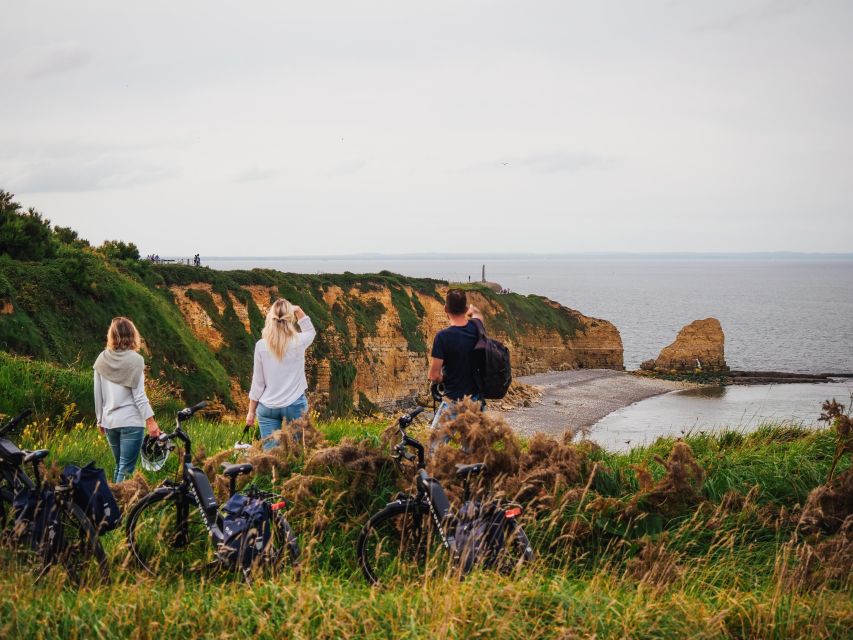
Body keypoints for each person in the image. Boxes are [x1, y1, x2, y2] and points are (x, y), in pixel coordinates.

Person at [93, 317, 161, 482]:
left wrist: (99, 420)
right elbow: (139, 395)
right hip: (130, 421)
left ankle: (113, 504)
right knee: (126, 470)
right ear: (132, 335)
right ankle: (122, 506)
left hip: (109, 422)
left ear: (112, 336)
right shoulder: (136, 360)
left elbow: (98, 393)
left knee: (119, 466)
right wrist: (151, 421)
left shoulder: (101, 358)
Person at [246, 299, 317, 449]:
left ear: (270, 319)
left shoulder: (261, 346)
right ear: (289, 318)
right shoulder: (299, 342)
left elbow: (258, 382)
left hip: (267, 408)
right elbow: (311, 331)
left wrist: (251, 411)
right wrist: (297, 309)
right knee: (297, 452)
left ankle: (272, 472)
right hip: (294, 405)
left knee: (271, 458)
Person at [428, 288, 485, 429]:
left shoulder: (443, 337)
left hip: (453, 401)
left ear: (445, 308)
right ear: (465, 308)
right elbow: (476, 312)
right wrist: (470, 310)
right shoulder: (477, 326)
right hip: (476, 402)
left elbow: (433, 375)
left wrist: (443, 379)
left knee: (434, 446)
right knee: (472, 448)